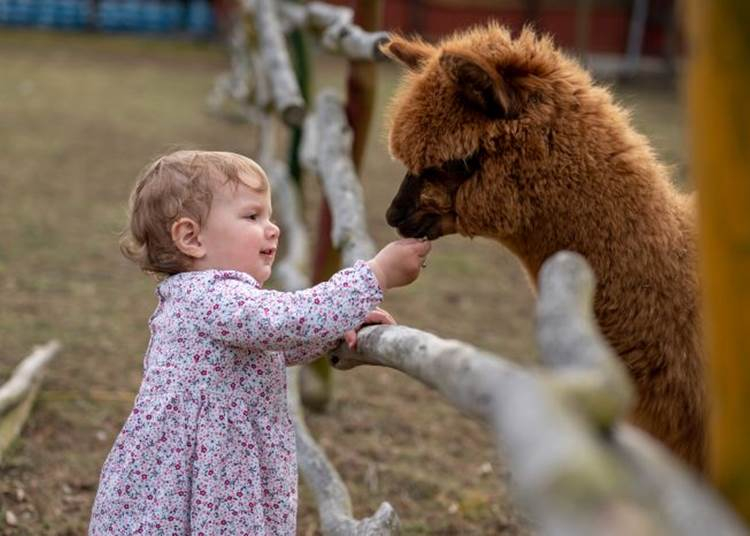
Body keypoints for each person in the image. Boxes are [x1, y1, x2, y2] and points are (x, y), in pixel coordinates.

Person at [88, 150, 431, 535]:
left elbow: (274, 343)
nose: (273, 228)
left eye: (268, 215)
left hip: (220, 471)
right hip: (205, 479)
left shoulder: (207, 299)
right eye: (252, 217)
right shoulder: (210, 296)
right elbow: (286, 321)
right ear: (191, 237)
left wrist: (336, 327)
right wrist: (375, 275)